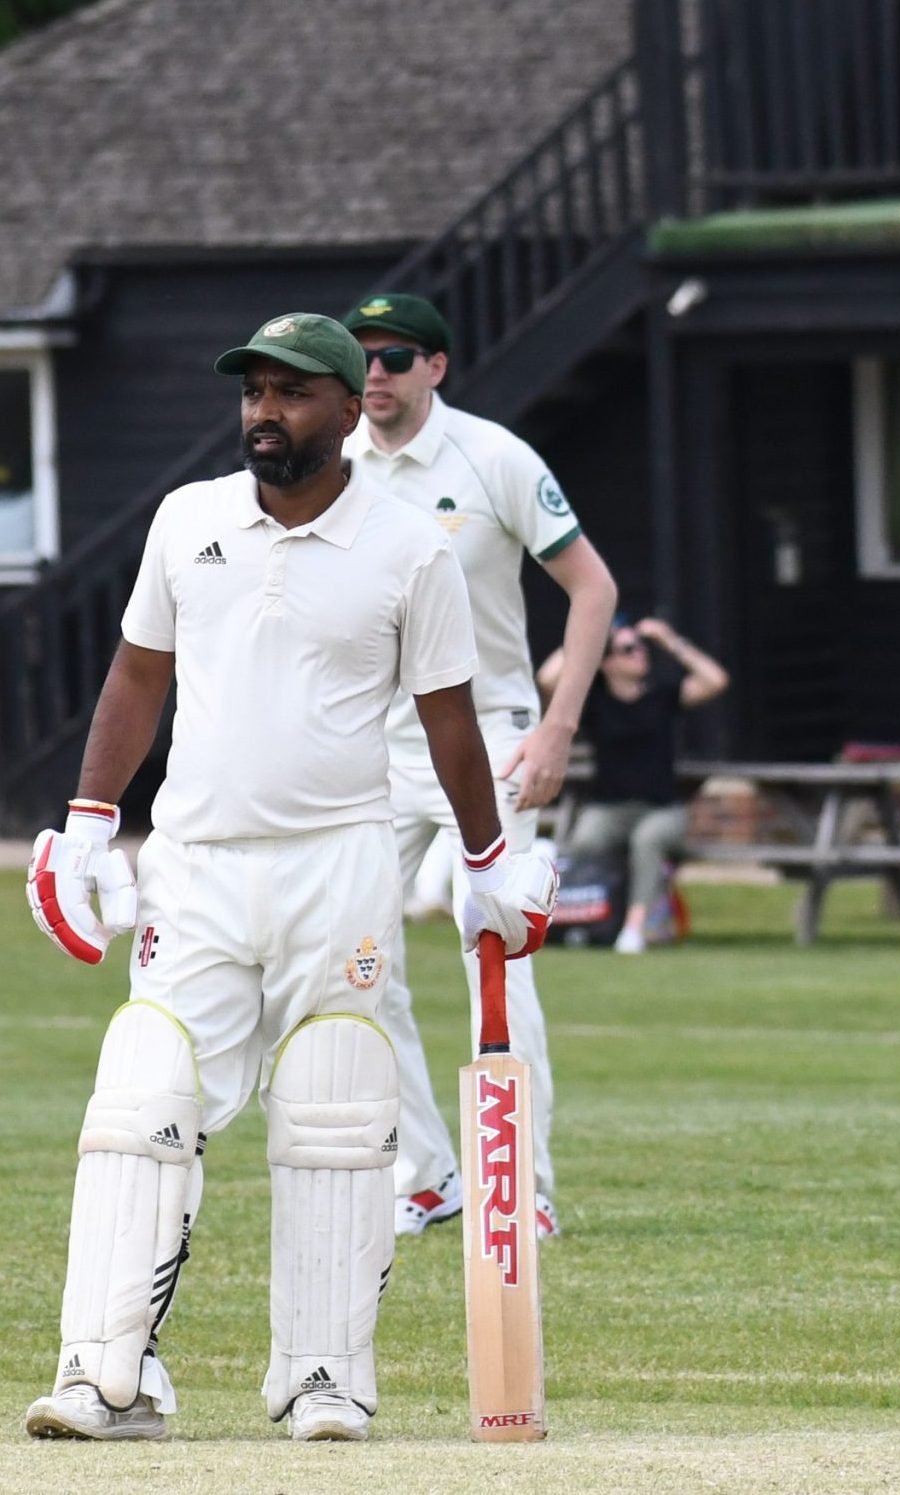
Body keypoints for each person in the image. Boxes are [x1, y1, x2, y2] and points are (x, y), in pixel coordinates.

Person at [21, 314, 556, 1443]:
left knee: (334, 1099)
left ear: (348, 407)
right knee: (143, 1090)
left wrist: (486, 857)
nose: (265, 412)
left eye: (292, 393)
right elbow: (138, 672)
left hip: (338, 862)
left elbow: (448, 717)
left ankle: (325, 1376)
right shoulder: (189, 519)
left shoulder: (410, 546)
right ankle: (105, 1374)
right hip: (195, 863)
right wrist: (86, 821)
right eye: (254, 392)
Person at [338, 293, 618, 1241]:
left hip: (493, 735)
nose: (375, 372)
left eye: (395, 356)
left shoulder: (493, 457)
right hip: (376, 744)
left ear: (436, 367)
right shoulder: (336, 464)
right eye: (362, 356)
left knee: (495, 951)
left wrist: (557, 729)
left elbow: (593, 588)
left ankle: (522, 1187)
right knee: (354, 957)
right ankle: (426, 1176)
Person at [540, 614, 730, 953]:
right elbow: (548, 678)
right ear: (607, 662)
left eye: (641, 648)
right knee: (584, 840)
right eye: (628, 649)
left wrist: (671, 641)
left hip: (661, 808)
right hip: (609, 807)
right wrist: (593, 629)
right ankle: (585, 921)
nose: (640, 653)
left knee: (648, 841)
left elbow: (715, 680)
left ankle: (635, 927)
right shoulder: (595, 701)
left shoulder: (663, 695)